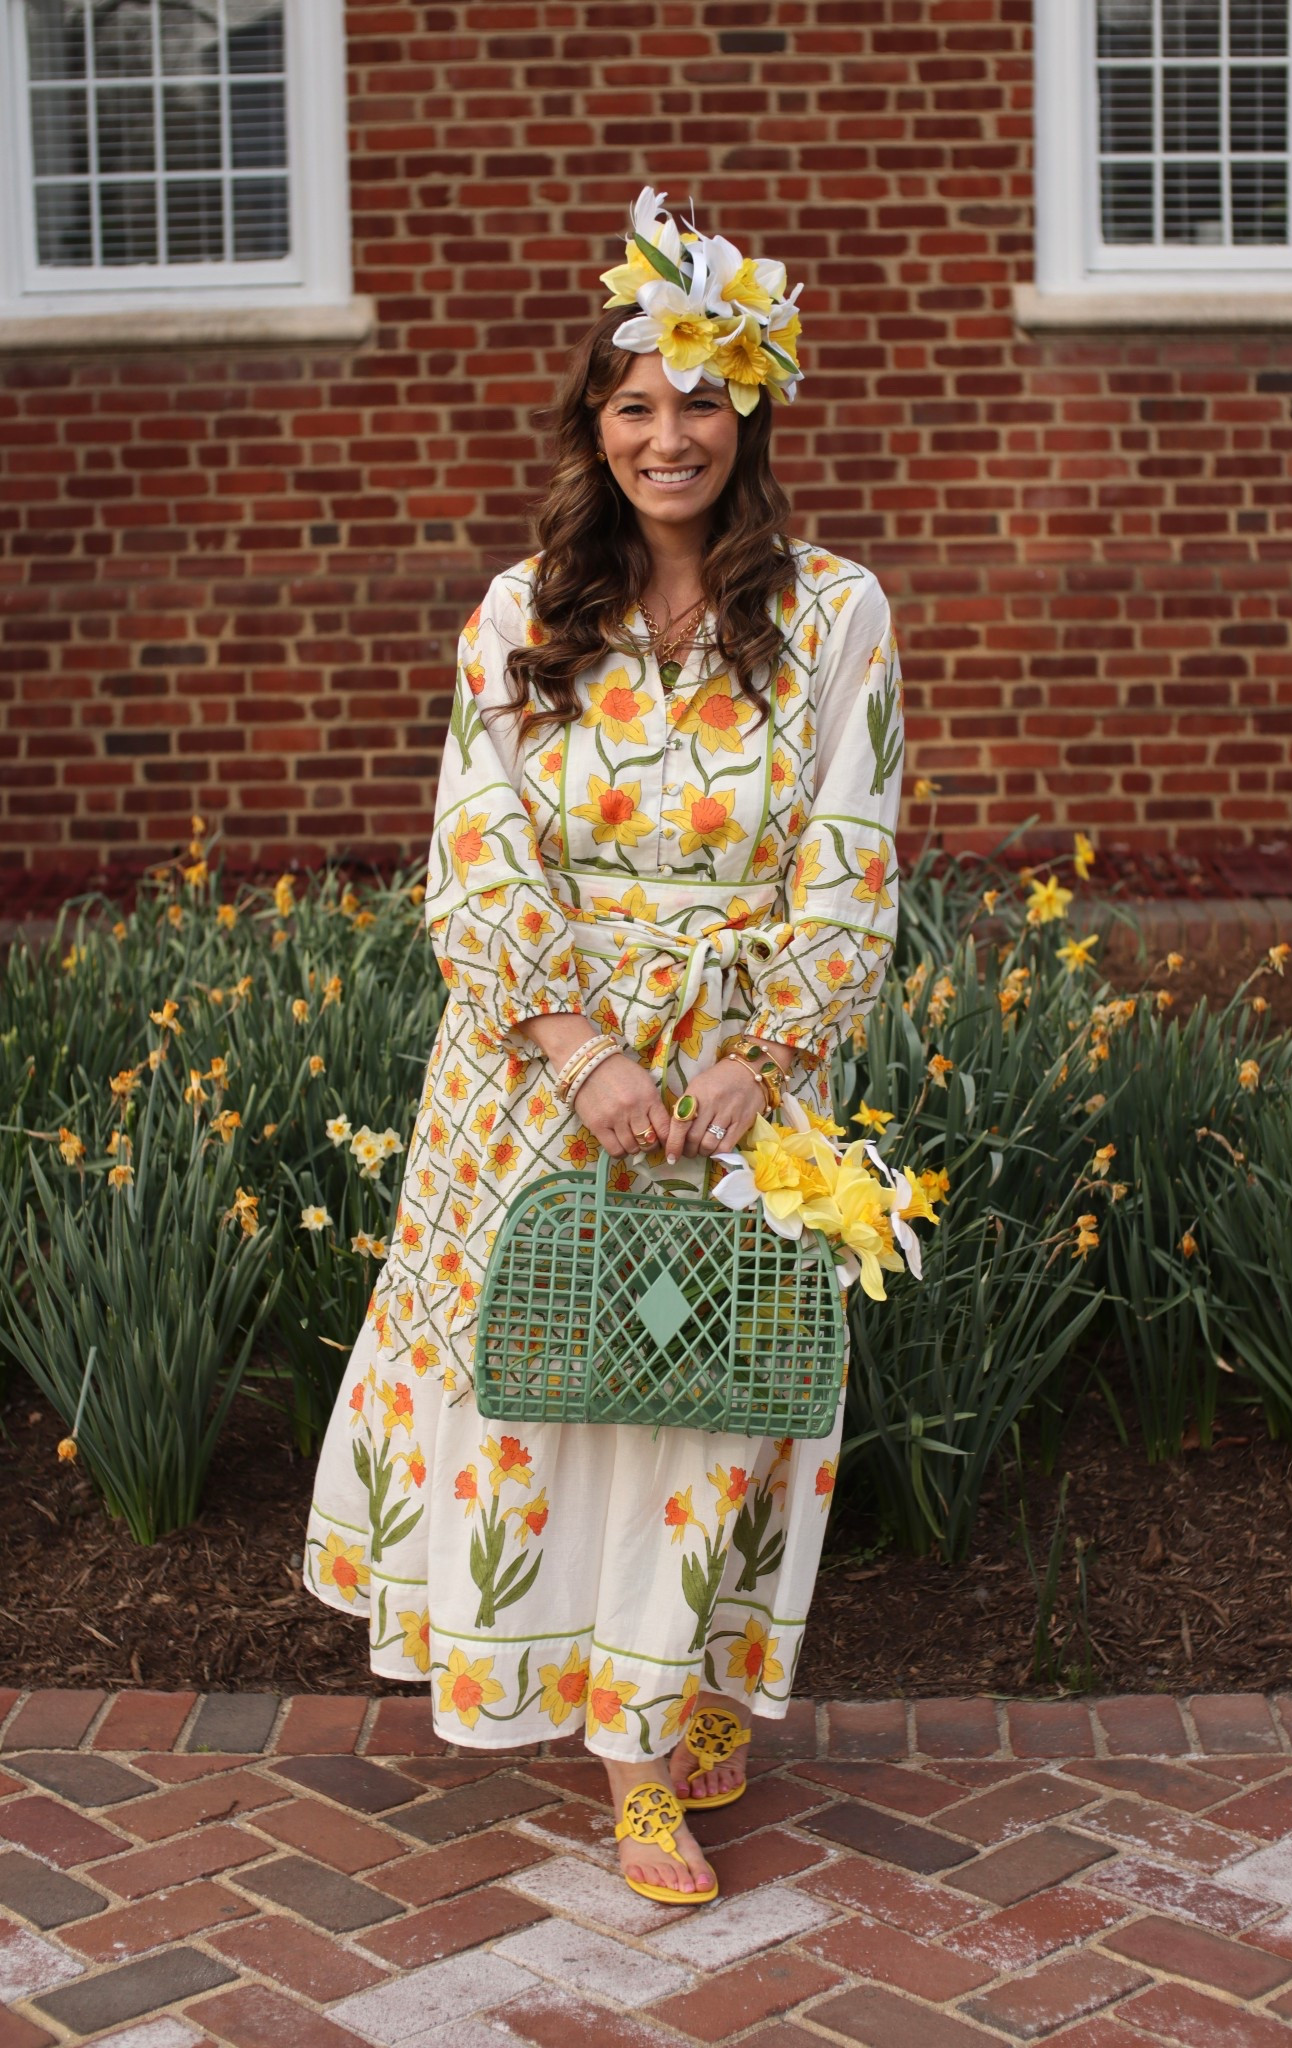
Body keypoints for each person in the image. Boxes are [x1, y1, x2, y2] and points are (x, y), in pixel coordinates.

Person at [305, 188, 904, 1906]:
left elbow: (851, 855)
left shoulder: (838, 612)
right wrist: (582, 1051)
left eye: (702, 398)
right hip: (531, 1076)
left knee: (713, 1392)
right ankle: (630, 1757)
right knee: (564, 1390)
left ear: (752, 414)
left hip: (744, 1083)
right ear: (594, 426)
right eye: (635, 403)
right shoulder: (518, 613)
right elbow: (476, 849)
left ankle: (676, 1697)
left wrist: (761, 1058)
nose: (670, 434)